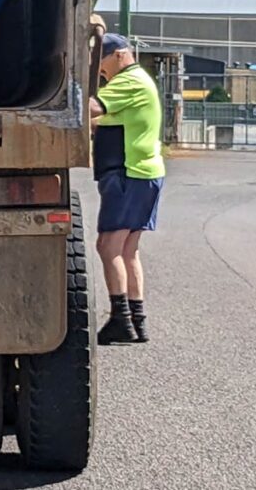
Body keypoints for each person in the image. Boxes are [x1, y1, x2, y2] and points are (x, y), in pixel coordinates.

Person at [89, 33, 165, 345]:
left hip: (128, 172)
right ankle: (137, 319)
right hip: (142, 173)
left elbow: (93, 108)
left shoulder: (129, 81)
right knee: (127, 250)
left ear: (121, 55)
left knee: (108, 246)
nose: (101, 70)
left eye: (103, 61)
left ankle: (120, 317)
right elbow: (105, 120)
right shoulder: (135, 83)